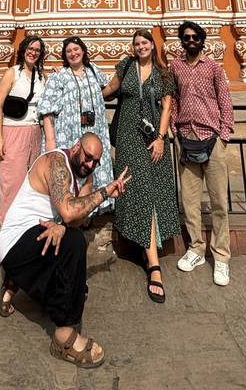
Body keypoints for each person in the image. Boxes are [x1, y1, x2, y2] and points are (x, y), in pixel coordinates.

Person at [0, 133, 130, 369]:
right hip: (17, 242)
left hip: (37, 234)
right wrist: (105, 192)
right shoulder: (57, 163)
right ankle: (64, 338)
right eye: (87, 157)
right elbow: (69, 212)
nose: (89, 164)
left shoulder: (82, 175)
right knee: (75, 244)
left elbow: (75, 220)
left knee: (76, 275)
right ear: (77, 147)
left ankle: (16, 282)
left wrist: (62, 224)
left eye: (95, 162)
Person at [102, 29, 180, 303]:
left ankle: (150, 253)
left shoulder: (164, 72)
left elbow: (168, 106)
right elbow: (109, 90)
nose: (140, 47)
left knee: (153, 190)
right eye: (136, 44)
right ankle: (153, 264)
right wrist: (81, 91)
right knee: (138, 189)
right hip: (128, 136)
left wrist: (160, 138)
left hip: (153, 139)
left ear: (152, 45)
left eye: (145, 43)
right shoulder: (125, 65)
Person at [169, 21, 234, 287]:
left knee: (219, 202)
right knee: (190, 201)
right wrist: (174, 128)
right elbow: (172, 99)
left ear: (202, 40)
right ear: (182, 41)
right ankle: (196, 249)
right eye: (186, 37)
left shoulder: (214, 68)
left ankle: (221, 257)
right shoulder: (175, 66)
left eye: (195, 37)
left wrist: (225, 133)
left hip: (213, 138)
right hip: (186, 137)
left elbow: (225, 99)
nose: (191, 40)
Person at [37, 36, 114, 214]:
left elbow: (108, 89)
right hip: (71, 134)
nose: (73, 53)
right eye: (69, 51)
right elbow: (47, 110)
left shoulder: (94, 70)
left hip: (94, 131)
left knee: (93, 167)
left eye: (76, 49)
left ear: (83, 50)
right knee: (74, 171)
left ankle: (91, 211)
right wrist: (50, 142)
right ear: (65, 55)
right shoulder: (59, 77)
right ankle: (73, 214)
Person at [0, 34, 47, 226]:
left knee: (31, 186)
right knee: (12, 186)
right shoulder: (12, 73)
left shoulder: (42, 75)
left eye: (37, 50)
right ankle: (5, 239)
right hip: (13, 132)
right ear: (23, 50)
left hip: (35, 132)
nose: (33, 53)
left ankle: (24, 231)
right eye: (30, 49)